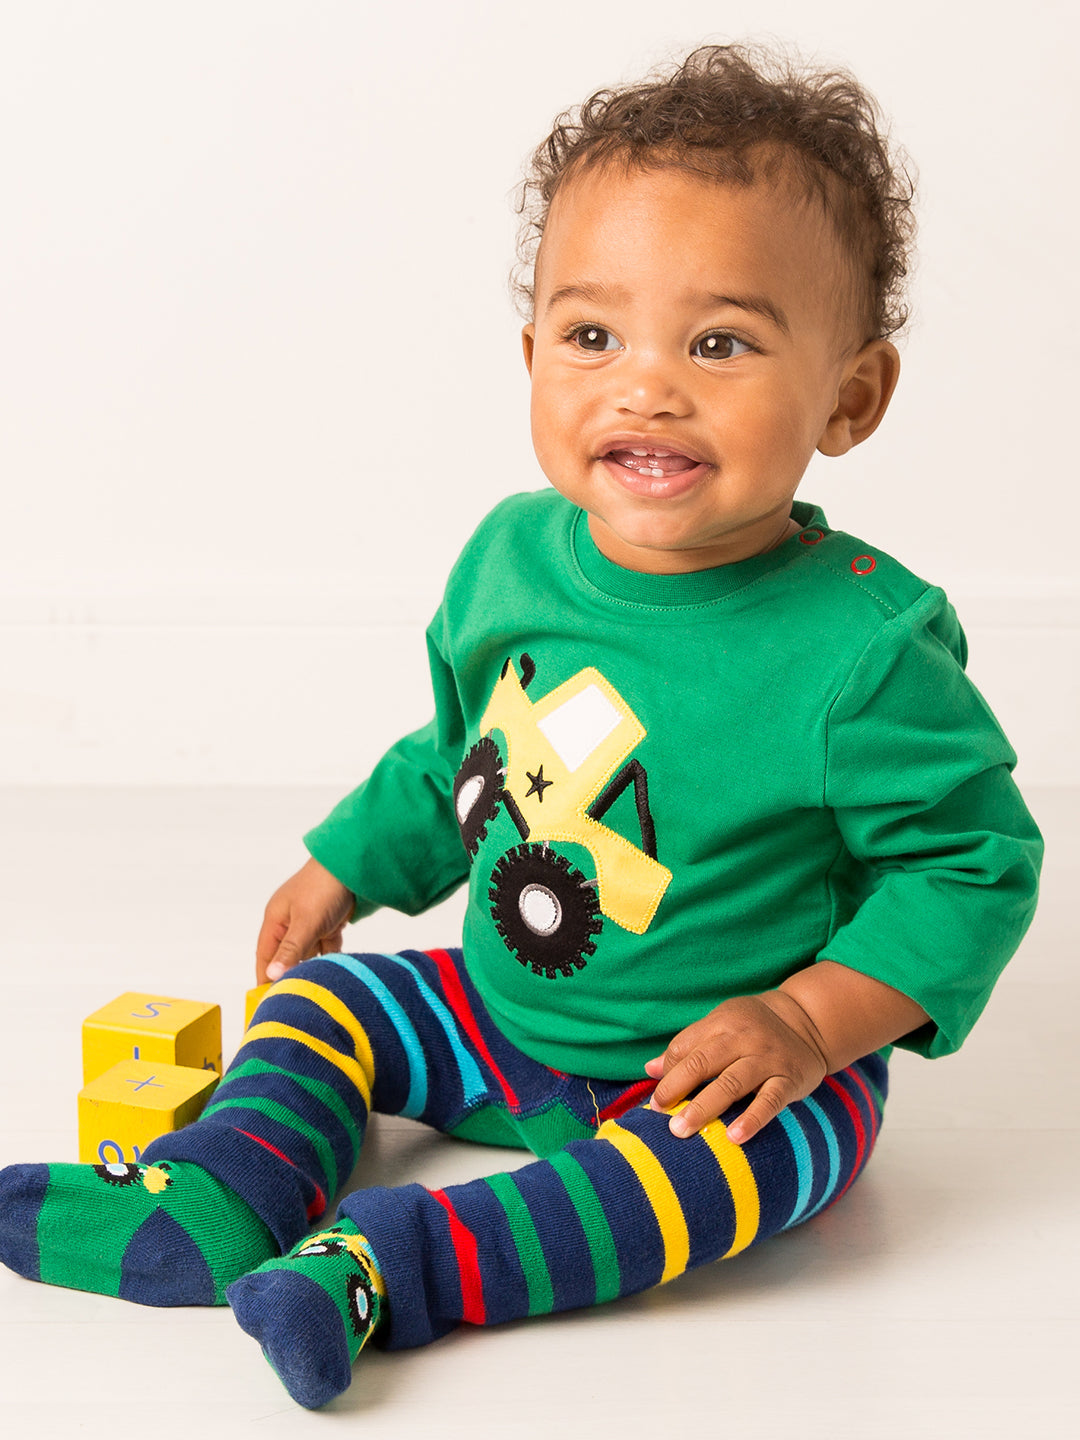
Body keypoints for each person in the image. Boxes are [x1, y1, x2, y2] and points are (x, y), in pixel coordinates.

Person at [0, 43, 1043, 1410]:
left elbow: (973, 866)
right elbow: (466, 758)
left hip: (716, 1072)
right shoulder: (509, 561)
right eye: (593, 336)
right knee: (323, 1005)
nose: (646, 387)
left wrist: (803, 1020)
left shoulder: (860, 650)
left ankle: (392, 1264)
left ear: (850, 396)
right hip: (501, 1015)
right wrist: (345, 865)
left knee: (721, 1175)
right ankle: (222, 1193)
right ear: (534, 354)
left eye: (720, 343)